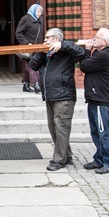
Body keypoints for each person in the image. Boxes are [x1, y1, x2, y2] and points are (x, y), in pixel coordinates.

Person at [29, 28, 86, 171]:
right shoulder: (46, 53)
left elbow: (82, 53)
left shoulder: (67, 52)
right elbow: (33, 66)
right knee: (53, 127)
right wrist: (40, 51)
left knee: (61, 127)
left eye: (48, 38)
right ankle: (67, 155)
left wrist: (64, 45)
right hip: (49, 95)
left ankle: (59, 160)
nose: (45, 40)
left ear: (56, 39)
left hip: (63, 95)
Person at [79, 28, 109, 174]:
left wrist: (86, 50)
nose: (93, 39)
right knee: (96, 132)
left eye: (96, 37)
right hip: (94, 99)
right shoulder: (99, 54)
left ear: (104, 41)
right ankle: (99, 159)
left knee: (104, 132)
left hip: (101, 100)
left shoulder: (104, 56)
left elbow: (83, 66)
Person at [16, 3, 44, 93]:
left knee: (30, 66)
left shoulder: (39, 21)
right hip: (29, 49)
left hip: (38, 48)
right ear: (33, 10)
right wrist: (27, 43)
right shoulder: (26, 19)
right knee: (33, 65)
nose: (40, 13)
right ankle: (36, 84)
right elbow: (18, 33)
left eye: (41, 12)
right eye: (38, 11)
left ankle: (26, 84)